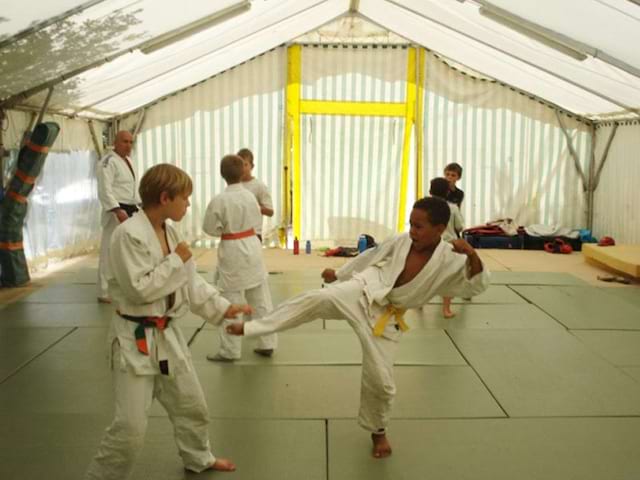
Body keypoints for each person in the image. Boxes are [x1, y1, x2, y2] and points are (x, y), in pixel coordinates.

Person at [226, 197, 489, 458]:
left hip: (388, 316)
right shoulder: (401, 240)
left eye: (419, 227)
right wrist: (339, 275)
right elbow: (371, 256)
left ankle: (378, 431)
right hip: (366, 288)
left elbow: (477, 284)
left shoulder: (450, 258)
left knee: (382, 382)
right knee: (320, 298)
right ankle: (254, 328)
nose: (412, 231)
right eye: (411, 224)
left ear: (440, 228)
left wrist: (472, 254)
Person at [85, 164, 250, 479]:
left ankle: (198, 456)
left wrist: (223, 307)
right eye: (184, 198)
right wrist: (177, 259)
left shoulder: (170, 232)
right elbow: (140, 289)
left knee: (192, 407)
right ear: (164, 198)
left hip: (168, 337)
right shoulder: (127, 235)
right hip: (135, 340)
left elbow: (190, 283)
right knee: (130, 427)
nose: (188, 204)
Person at [202, 154, 277, 361]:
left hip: (233, 248)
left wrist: (225, 228)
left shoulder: (219, 200)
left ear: (222, 174)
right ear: (241, 171)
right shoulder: (250, 197)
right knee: (260, 298)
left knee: (231, 299)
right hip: (252, 246)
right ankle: (267, 342)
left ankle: (230, 350)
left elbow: (210, 228)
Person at [96, 131, 140, 303]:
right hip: (116, 210)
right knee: (109, 249)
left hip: (130, 208)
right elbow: (104, 189)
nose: (128, 145)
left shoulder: (129, 161)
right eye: (124, 141)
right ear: (115, 142)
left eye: (131, 142)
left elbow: (131, 188)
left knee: (126, 250)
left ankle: (122, 284)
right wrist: (116, 209)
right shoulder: (107, 162)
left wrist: (140, 204)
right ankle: (103, 290)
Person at [429, 177, 465, 318]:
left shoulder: (424, 206)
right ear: (447, 192)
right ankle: (446, 309)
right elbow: (460, 226)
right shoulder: (453, 208)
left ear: (430, 191)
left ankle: (418, 304)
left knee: (426, 274)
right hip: (448, 246)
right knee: (449, 277)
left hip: (430, 244)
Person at [237, 148, 273, 242]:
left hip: (253, 235)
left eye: (245, 164)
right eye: (240, 165)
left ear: (252, 166)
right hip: (236, 235)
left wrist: (253, 206)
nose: (243, 168)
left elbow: (270, 211)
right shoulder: (233, 186)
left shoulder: (259, 186)